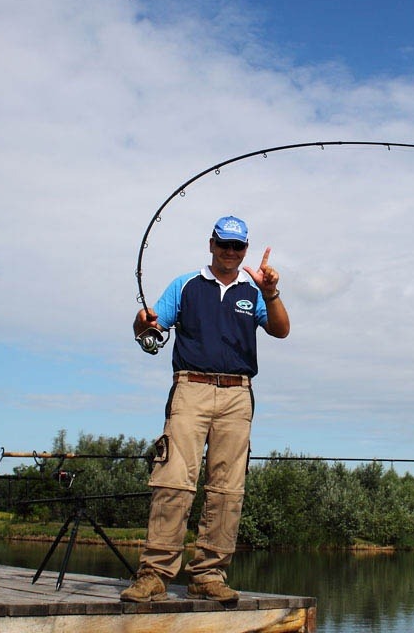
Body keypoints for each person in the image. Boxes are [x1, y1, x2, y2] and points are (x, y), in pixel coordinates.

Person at [122, 215, 290, 603]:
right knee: (173, 480)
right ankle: (154, 575)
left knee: (227, 489)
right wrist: (141, 322)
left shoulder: (254, 291)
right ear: (211, 244)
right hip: (190, 389)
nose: (230, 252)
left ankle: (209, 575)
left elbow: (281, 330)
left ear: (245, 249)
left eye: (238, 246)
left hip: (237, 395)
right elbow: (150, 330)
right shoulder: (185, 285)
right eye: (224, 244)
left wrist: (271, 293)